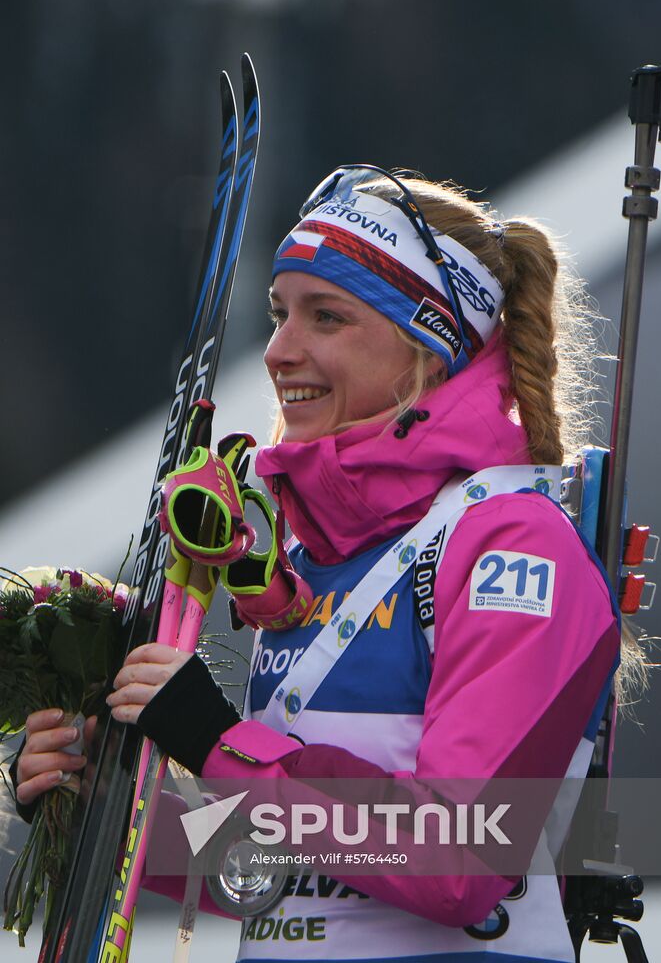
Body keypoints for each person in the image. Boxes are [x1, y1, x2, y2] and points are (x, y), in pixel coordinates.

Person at [14, 167, 621, 962]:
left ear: (430, 347)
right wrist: (104, 802)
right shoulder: (310, 555)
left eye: (325, 317)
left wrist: (221, 743)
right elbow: (284, 874)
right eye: (278, 314)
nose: (277, 351)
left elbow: (458, 860)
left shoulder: (509, 544)